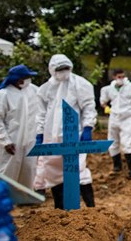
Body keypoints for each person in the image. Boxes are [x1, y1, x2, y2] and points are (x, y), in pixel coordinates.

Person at [34, 54, 98, 209]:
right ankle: (60, 210)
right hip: (51, 138)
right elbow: (41, 113)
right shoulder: (45, 88)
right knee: (53, 172)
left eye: (65, 68)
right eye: (59, 69)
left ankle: (91, 208)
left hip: (73, 135)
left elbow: (89, 107)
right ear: (52, 70)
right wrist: (39, 133)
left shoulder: (80, 84)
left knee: (79, 170)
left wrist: (88, 128)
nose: (63, 72)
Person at [0, 64, 39, 190]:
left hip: (30, 140)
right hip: (12, 140)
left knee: (29, 169)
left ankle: (26, 198)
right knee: (8, 170)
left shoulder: (33, 90)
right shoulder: (2, 95)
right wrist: (5, 141)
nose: (29, 80)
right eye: (27, 77)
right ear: (19, 80)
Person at [100, 68, 131, 179]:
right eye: (119, 77)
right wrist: (107, 108)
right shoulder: (108, 89)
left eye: (123, 76)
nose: (121, 79)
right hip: (114, 117)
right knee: (112, 141)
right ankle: (117, 166)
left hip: (127, 117)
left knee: (127, 142)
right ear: (114, 77)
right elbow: (102, 101)